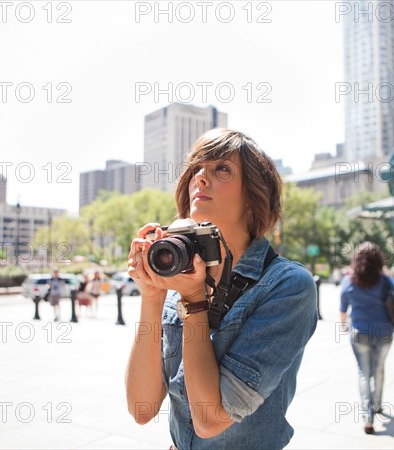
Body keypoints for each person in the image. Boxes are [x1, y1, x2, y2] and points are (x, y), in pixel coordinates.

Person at [125, 128, 318, 449]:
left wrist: (193, 302)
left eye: (222, 169)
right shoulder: (183, 274)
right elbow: (142, 410)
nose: (200, 178)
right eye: (195, 169)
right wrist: (152, 295)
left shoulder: (287, 285)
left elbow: (209, 420)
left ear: (253, 196)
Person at [339, 242, 394, 434]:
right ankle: (377, 406)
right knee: (378, 370)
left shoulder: (349, 280)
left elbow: (343, 308)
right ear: (378, 261)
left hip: (359, 333)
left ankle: (367, 418)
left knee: (363, 373)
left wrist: (344, 325)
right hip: (384, 332)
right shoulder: (384, 280)